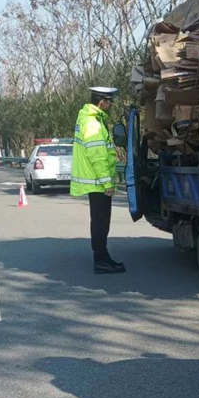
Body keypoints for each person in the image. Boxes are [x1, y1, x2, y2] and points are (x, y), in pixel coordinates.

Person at [71, 86, 126, 274]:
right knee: (101, 222)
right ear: (102, 102)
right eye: (110, 102)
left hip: (96, 181)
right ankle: (101, 260)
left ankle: (103, 257)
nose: (110, 105)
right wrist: (107, 183)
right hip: (97, 182)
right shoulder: (93, 124)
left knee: (100, 221)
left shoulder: (89, 118)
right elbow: (97, 156)